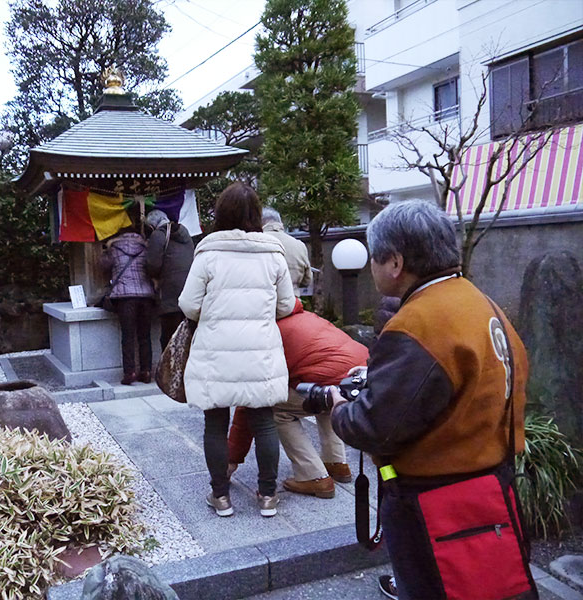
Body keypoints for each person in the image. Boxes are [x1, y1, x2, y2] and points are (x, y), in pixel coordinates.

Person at [329, 201, 529, 600]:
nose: (371, 267)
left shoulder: (420, 323)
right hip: (493, 485)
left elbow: (375, 426)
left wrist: (339, 408)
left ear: (396, 263)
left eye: (374, 257)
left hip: (436, 501)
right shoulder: (480, 303)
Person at [178, 182, 295, 518]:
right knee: (264, 422)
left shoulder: (208, 253)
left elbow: (188, 304)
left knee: (215, 423)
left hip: (214, 351)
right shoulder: (273, 254)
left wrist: (213, 315)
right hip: (260, 350)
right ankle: (268, 496)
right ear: (256, 215)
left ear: (221, 214)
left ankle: (221, 496)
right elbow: (286, 305)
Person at [226, 298, 369, 498]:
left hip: (333, 378)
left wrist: (231, 457)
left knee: (277, 410)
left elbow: (251, 400)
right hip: (359, 376)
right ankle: (336, 463)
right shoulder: (305, 316)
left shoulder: (263, 334)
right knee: (325, 399)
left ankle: (313, 476)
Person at [100, 225, 155, 385]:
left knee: (128, 336)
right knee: (145, 336)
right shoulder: (145, 247)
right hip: (146, 296)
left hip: (125, 297)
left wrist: (106, 249)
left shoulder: (114, 247)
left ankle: (129, 372)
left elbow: (103, 266)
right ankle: (146, 372)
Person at [144, 209, 194, 350]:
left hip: (170, 295)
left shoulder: (158, 235)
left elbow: (153, 264)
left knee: (169, 338)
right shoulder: (185, 234)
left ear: (152, 226)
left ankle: (169, 370)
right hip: (189, 291)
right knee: (187, 337)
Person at [261, 207, 312, 296]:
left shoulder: (255, 243)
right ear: (280, 222)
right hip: (292, 302)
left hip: (264, 302)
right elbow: (307, 280)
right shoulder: (299, 245)